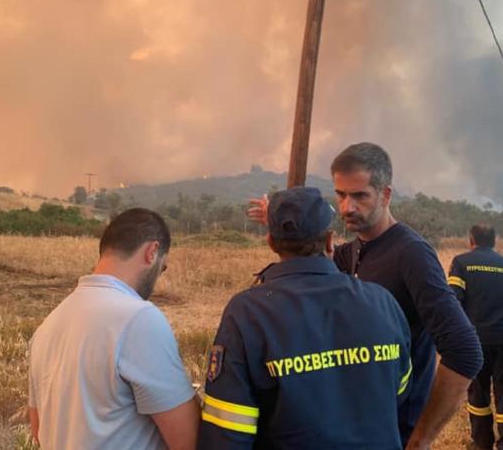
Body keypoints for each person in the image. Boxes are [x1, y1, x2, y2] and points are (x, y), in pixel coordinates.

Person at [248, 143, 483, 449]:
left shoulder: (411, 254)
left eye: (360, 196)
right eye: (341, 194)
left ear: (385, 195)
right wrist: (284, 222)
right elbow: (313, 258)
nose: (347, 207)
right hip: (358, 428)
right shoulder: (356, 249)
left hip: (395, 430)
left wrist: (421, 438)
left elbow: (465, 351)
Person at [199, 187, 412, 449]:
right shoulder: (382, 301)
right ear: (330, 241)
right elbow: (400, 390)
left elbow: (228, 430)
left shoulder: (248, 312)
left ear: (271, 243)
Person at [28, 208, 200, 450]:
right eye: (163, 268)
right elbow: (188, 440)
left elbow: (39, 431)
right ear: (152, 252)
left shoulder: (48, 325)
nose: (159, 276)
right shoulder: (138, 318)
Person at [448, 224, 503, 450]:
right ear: (494, 240)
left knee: (478, 394)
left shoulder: (461, 262)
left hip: (476, 340)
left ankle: (481, 443)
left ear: (471, 239)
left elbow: (453, 300)